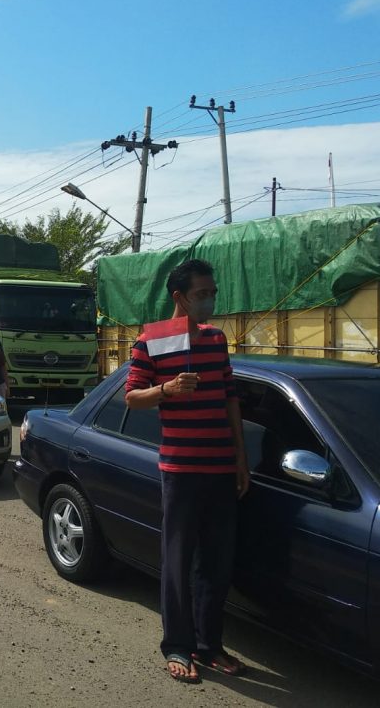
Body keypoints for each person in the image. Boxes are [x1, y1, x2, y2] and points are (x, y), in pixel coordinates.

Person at [124, 259, 250, 684]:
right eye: (202, 294)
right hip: (180, 467)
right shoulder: (151, 341)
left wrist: (240, 457)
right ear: (179, 297)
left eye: (213, 292)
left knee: (217, 563)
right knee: (178, 561)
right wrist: (167, 390)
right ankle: (177, 646)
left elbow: (230, 397)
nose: (210, 300)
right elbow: (132, 397)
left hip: (220, 465)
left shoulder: (217, 339)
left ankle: (209, 645)